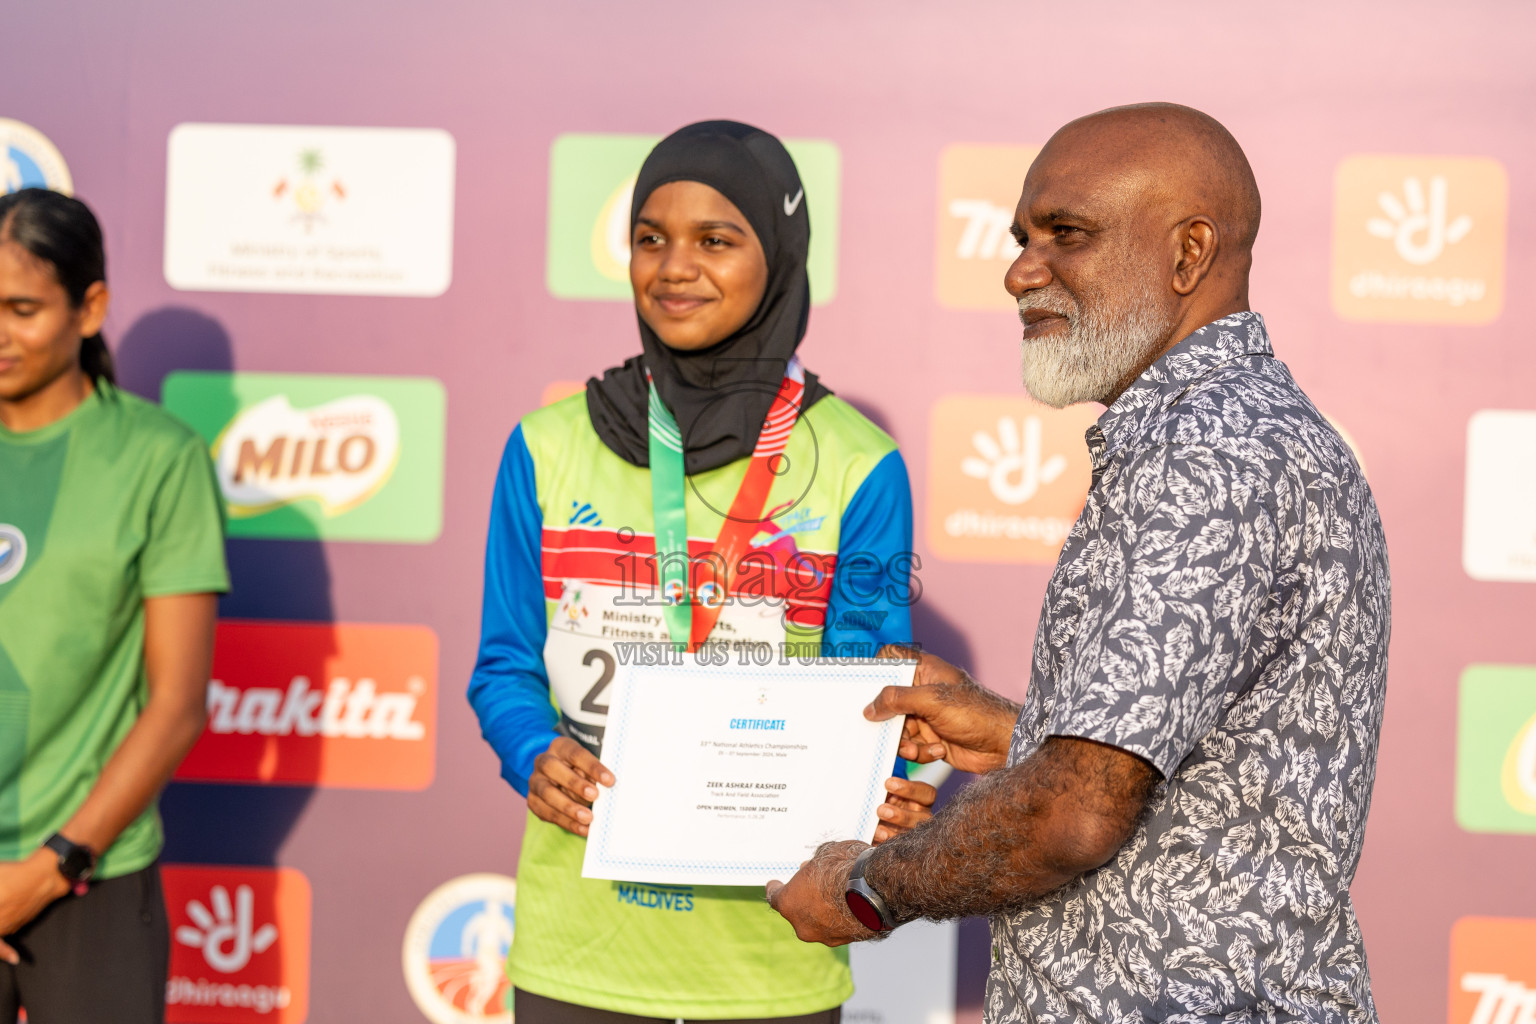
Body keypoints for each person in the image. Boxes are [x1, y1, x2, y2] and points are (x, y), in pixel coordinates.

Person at [767, 103, 1392, 1024]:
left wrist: (867, 887)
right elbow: (1192, 785)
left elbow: (1073, 816)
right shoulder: (1239, 430)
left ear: (1189, 255)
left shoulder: (1207, 455)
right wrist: (1015, 733)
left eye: (1069, 234)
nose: (1021, 269)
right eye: (1023, 236)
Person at [468, 121, 934, 1024]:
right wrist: (532, 752)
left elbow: (867, 691)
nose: (673, 268)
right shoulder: (545, 446)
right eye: (651, 239)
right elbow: (504, 664)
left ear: (781, 255)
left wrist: (883, 778)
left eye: (716, 240)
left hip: (771, 959)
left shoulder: (857, 465)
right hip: (580, 954)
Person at [0, 188, 229, 1022]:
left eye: (22, 308)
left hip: (90, 875)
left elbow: (175, 703)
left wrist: (52, 865)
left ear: (89, 306)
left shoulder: (157, 459)